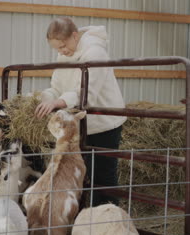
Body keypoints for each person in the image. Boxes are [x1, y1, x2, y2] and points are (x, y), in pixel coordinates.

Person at [34, 17, 127, 206]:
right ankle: (89, 221)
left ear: (74, 35)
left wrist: (58, 102)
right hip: (81, 123)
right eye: (57, 48)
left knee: (103, 175)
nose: (61, 51)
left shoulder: (95, 53)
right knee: (84, 174)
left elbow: (87, 93)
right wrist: (44, 98)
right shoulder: (65, 56)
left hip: (104, 123)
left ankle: (109, 219)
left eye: (63, 45)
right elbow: (57, 87)